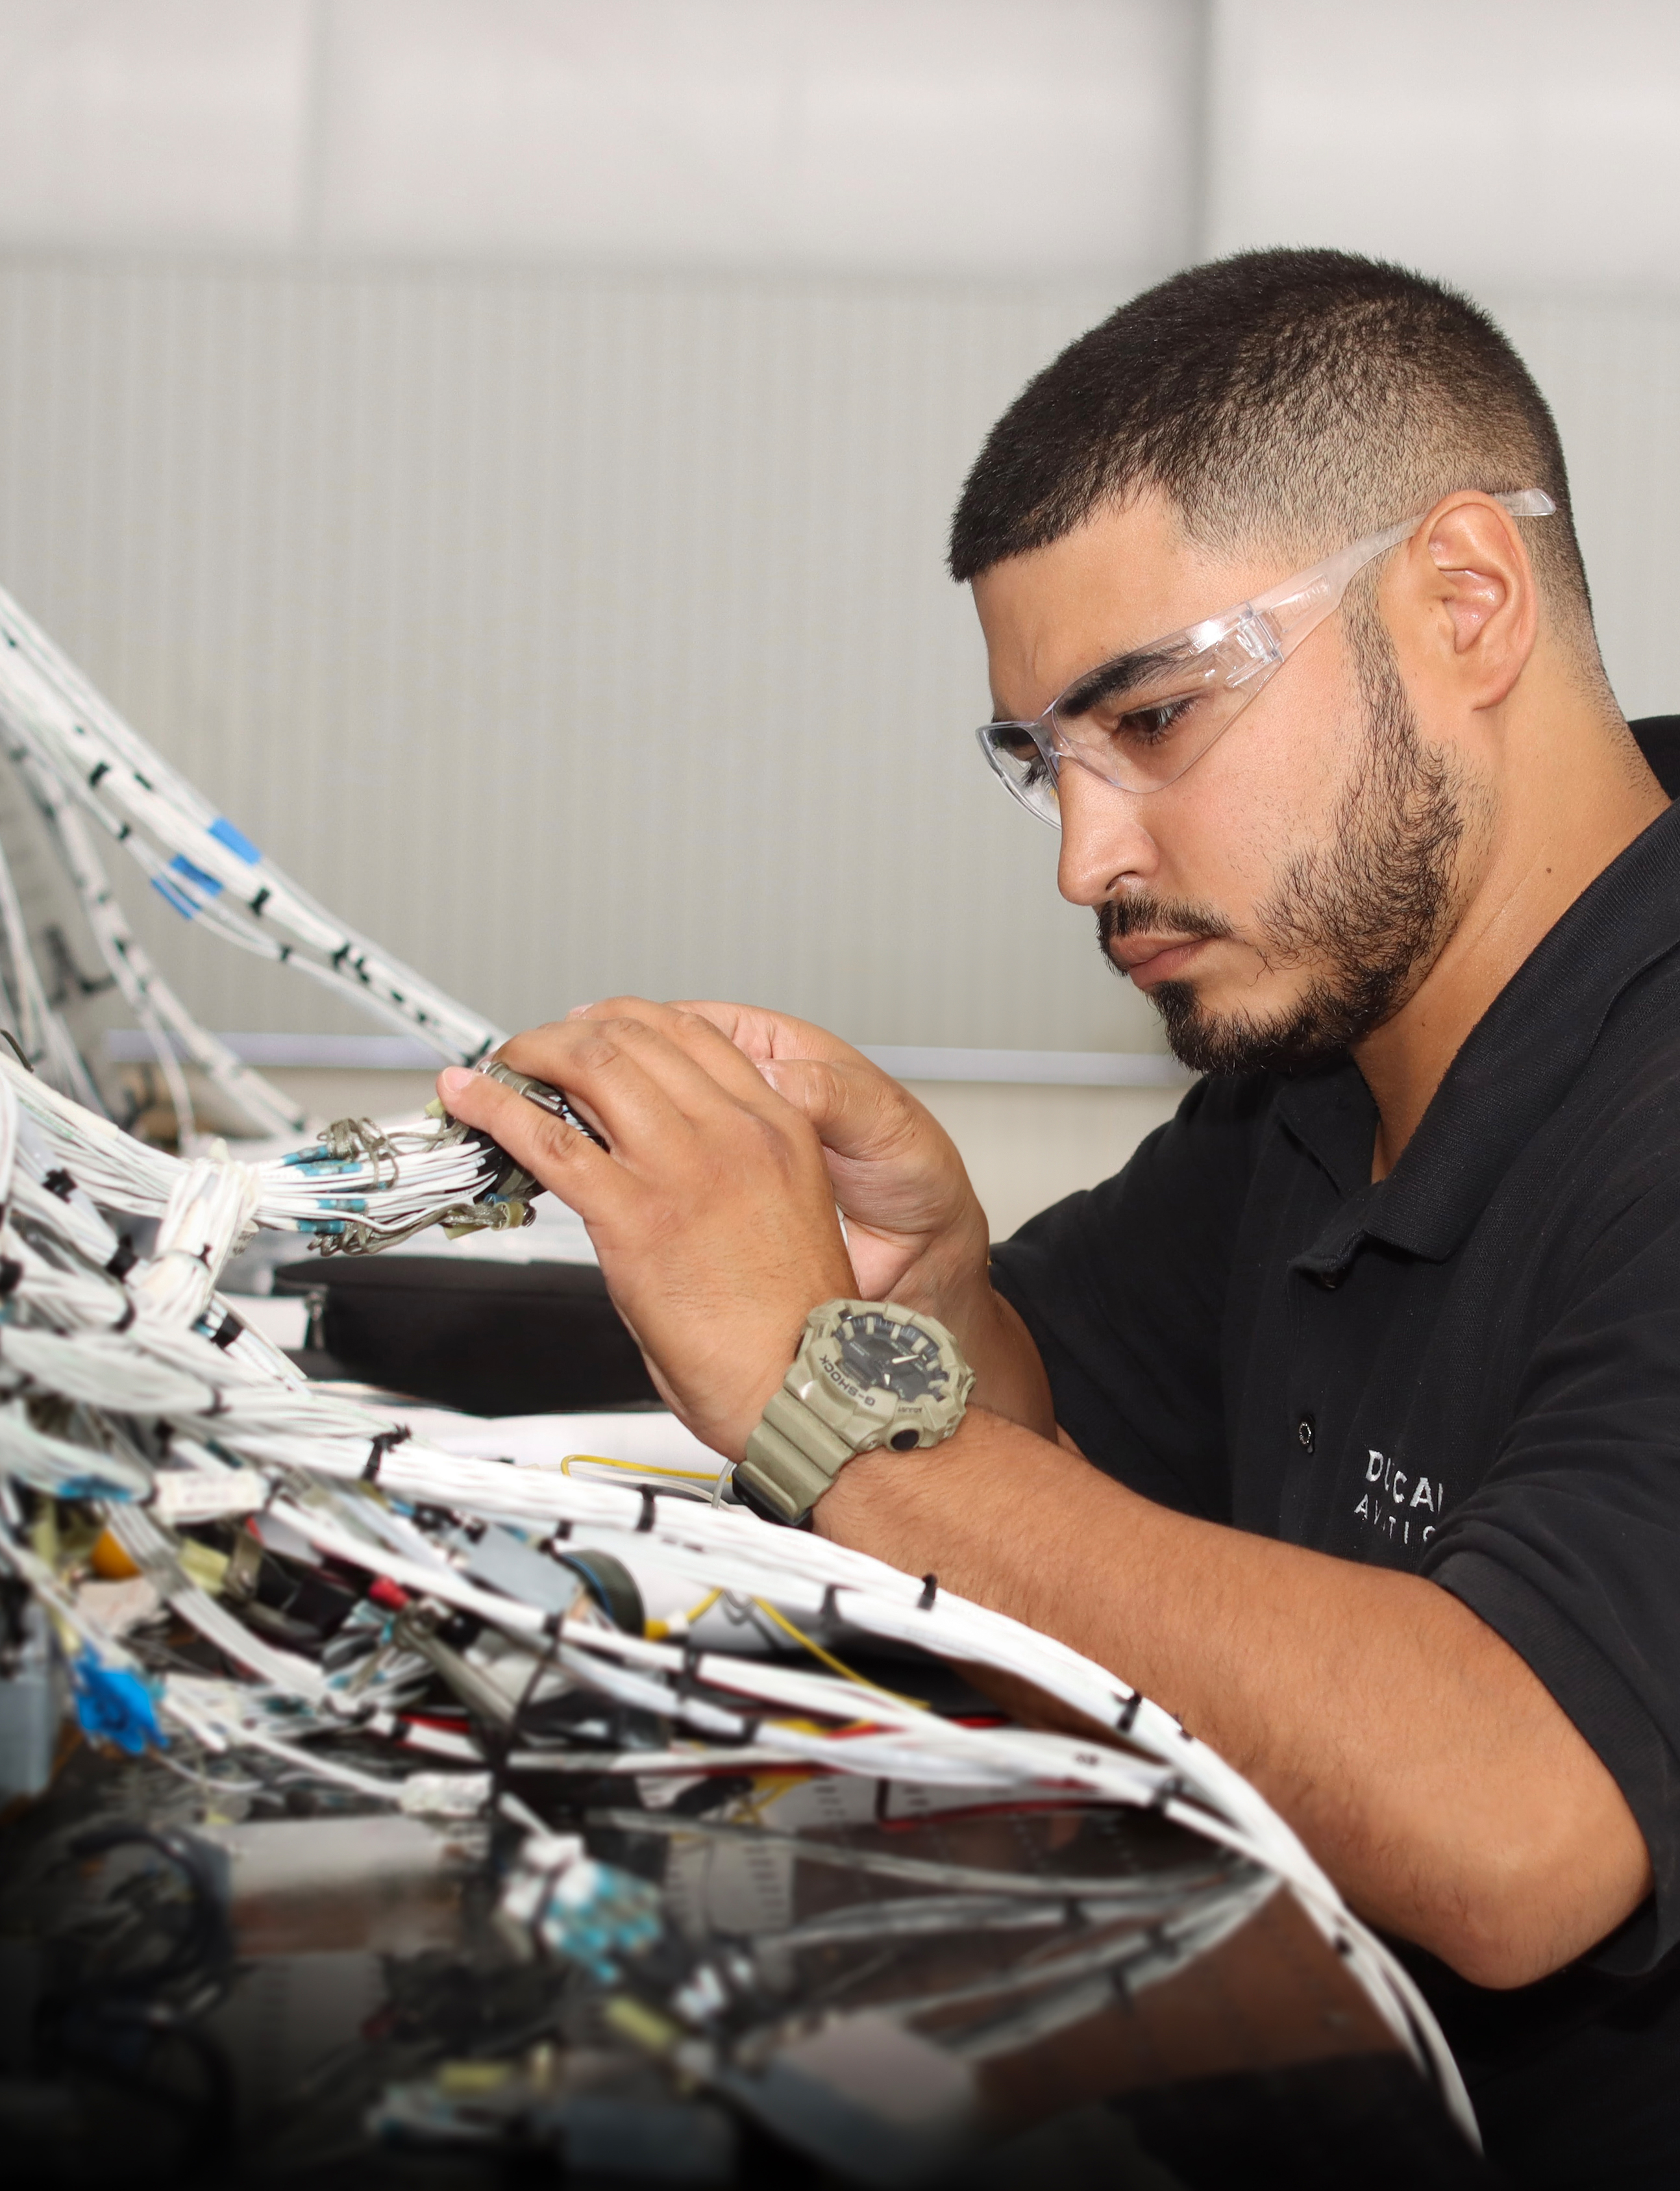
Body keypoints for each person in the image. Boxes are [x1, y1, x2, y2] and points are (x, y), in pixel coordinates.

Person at [438, 251, 1680, 2186]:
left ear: (1463, 600)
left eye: (1157, 720)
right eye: (1044, 766)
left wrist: (828, 1400)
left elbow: (1523, 1823)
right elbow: (1065, 1459)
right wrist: (925, 1298)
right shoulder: (1328, 1061)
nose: (1089, 858)